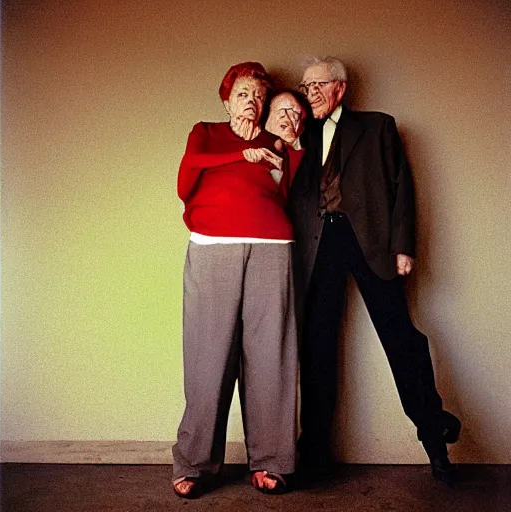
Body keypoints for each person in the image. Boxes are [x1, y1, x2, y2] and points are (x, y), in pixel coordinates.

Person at [288, 57, 461, 484]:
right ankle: (314, 457)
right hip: (318, 246)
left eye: (316, 86)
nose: (308, 94)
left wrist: (403, 246)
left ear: (340, 88)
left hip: (369, 241)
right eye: (304, 86)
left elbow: (403, 185)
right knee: (316, 349)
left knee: (401, 338)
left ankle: (435, 439)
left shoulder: (378, 126)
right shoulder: (298, 132)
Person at [172, 62, 298, 498]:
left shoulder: (275, 142)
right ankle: (194, 463)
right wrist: (239, 154)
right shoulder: (206, 133)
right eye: (243, 93)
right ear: (227, 99)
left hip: (273, 247)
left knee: (271, 356)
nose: (252, 101)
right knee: (208, 356)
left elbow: (288, 192)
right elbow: (186, 178)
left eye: (259, 95)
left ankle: (271, 462)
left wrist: (290, 148)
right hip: (213, 246)